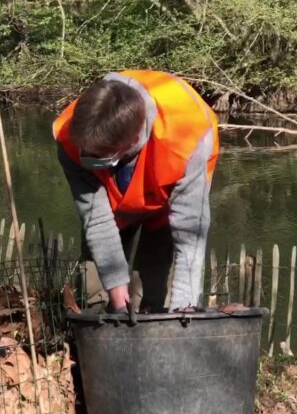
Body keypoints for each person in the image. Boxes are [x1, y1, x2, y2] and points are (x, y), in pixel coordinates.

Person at [53, 70, 218, 312]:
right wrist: (115, 285)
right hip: (111, 199)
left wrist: (185, 307)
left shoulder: (187, 139)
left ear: (131, 143)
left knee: (155, 278)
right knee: (94, 285)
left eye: (97, 158)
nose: (86, 159)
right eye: (85, 154)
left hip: (166, 198)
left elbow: (191, 236)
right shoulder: (71, 135)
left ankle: (153, 324)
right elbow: (96, 219)